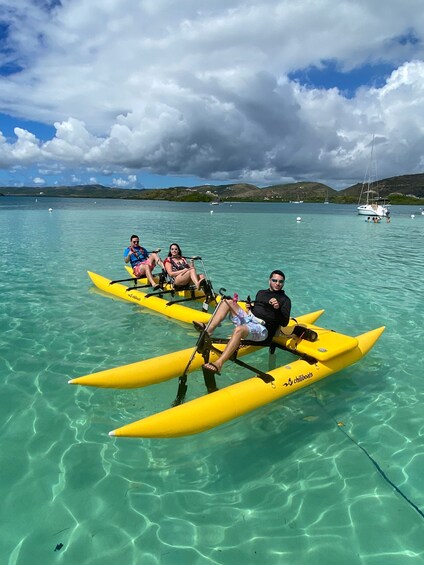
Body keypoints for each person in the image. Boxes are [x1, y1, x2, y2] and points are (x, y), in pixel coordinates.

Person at [197, 270, 291, 376]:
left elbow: (284, 322)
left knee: (239, 329)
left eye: (281, 282)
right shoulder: (261, 293)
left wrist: (277, 308)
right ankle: (208, 331)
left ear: (283, 283)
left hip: (263, 329)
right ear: (269, 281)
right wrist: (251, 307)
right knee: (227, 302)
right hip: (250, 319)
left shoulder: (285, 300)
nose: (277, 283)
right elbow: (260, 308)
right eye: (275, 280)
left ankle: (219, 364)